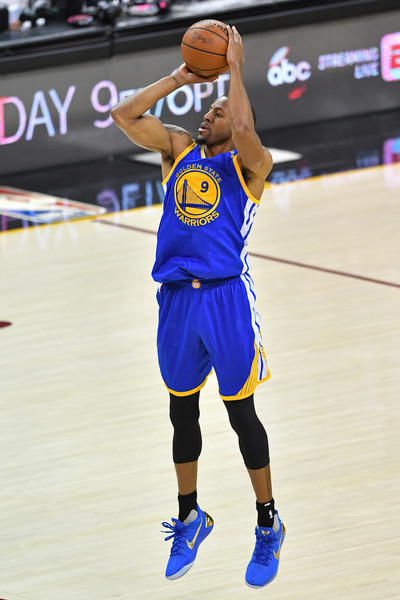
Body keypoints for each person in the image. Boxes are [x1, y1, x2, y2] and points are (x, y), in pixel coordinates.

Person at [111, 25, 285, 589]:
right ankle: (191, 516)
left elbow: (244, 126)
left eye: (218, 111)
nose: (210, 115)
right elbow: (124, 115)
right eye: (207, 109)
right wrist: (180, 77)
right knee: (180, 413)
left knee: (241, 416)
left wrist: (234, 69)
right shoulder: (180, 150)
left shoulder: (251, 165)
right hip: (176, 304)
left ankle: (267, 522)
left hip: (226, 300)